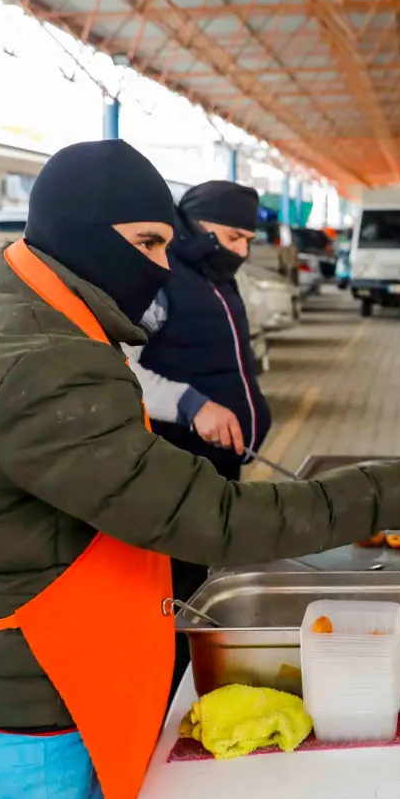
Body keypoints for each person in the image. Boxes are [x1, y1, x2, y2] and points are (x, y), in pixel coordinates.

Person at [0, 139, 400, 799]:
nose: (159, 268)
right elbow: (212, 519)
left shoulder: (9, 309)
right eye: (147, 243)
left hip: (21, 683)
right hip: (39, 716)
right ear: (82, 228)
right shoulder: (42, 362)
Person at [120, 180, 269, 705]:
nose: (242, 251)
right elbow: (121, 368)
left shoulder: (215, 275)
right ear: (200, 225)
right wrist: (190, 404)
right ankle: (174, 691)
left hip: (221, 463)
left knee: (207, 572)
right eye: (234, 236)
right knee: (179, 584)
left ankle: (202, 676)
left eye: (249, 239)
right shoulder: (159, 282)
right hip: (177, 465)